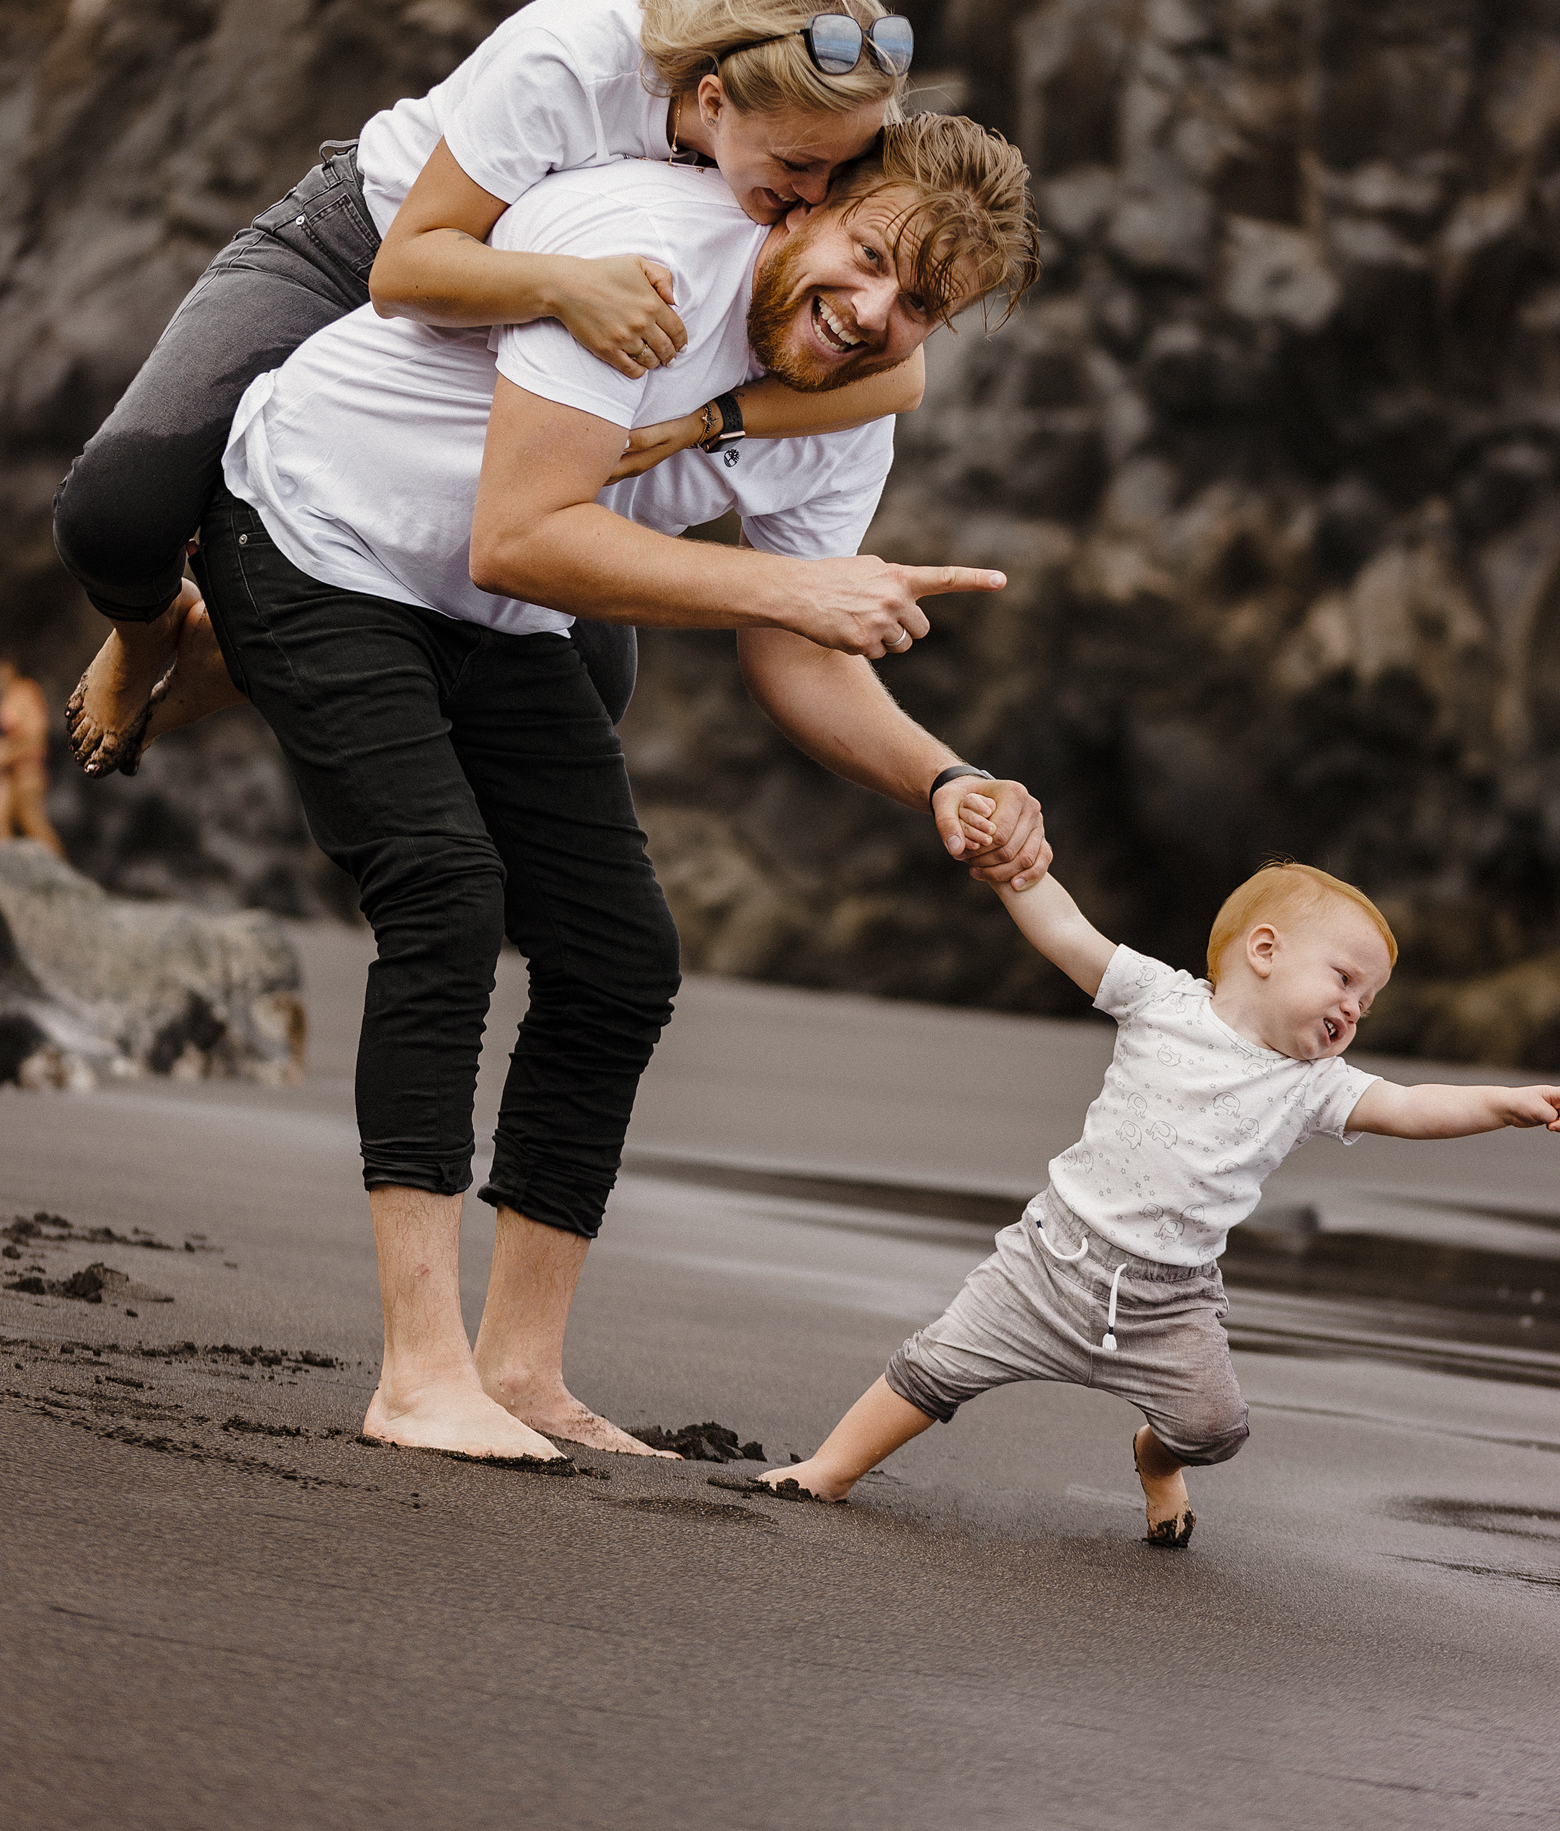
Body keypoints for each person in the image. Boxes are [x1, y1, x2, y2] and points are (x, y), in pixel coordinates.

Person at [198, 112, 1050, 1467]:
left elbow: (799, 651)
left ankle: (521, 1371)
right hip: (319, 532)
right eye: (871, 254)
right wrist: (789, 585)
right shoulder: (650, 262)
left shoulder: (837, 409)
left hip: (494, 612)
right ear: (805, 209)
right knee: (444, 888)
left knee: (619, 958)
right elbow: (526, 531)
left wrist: (944, 776)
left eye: (923, 304)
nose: (874, 309)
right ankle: (420, 1374)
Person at [54, 0, 923, 774]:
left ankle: (230, 647)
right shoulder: (577, 55)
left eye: (837, 175)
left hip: (525, 341)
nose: (814, 196)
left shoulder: (815, 160)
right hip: (374, 247)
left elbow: (903, 378)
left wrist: (709, 423)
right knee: (118, 511)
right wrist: (563, 289)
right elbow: (406, 270)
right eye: (798, 166)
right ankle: (149, 631)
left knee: (591, 691)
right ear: (715, 98)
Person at [754, 851, 1560, 1542]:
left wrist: (1503, 1103)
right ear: (1266, 950)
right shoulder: (1161, 999)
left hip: (1169, 1305)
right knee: (930, 1370)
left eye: (1368, 1001)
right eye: (1345, 979)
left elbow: (1413, 1106)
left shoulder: (1316, 1086)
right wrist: (1012, 872)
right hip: (1047, 1262)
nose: (1354, 1007)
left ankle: (1155, 1456)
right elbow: (1068, 933)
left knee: (1215, 1431)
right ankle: (831, 1469)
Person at [0, 660, 63, 856]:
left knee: (32, 820)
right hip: (9, 773)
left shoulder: (25, 692)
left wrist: (8, 754)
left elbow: (35, 732)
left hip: (28, 768)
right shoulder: (9, 697)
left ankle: (59, 869)